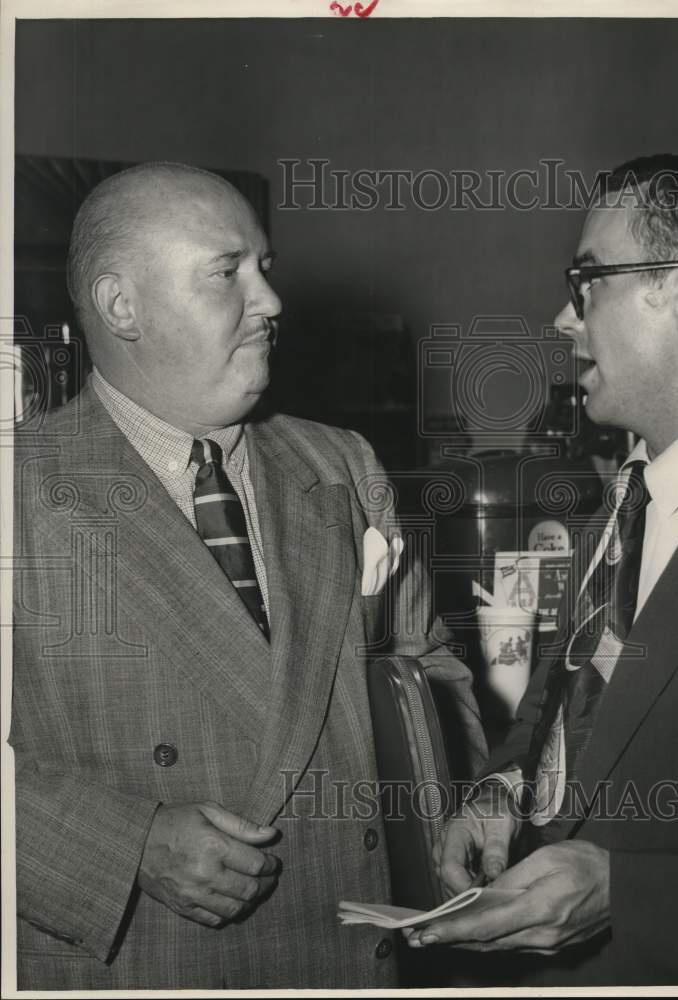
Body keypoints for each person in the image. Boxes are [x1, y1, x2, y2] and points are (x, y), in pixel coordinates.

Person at [11, 161, 486, 990]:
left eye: (265, 268)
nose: (270, 301)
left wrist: (454, 810)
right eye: (227, 272)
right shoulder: (18, 491)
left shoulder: (341, 463)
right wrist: (129, 846)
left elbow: (431, 665)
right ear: (123, 305)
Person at [405, 150, 678, 986]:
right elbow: (563, 703)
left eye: (589, 282)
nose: (564, 319)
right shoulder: (629, 496)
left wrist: (628, 894)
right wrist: (501, 790)